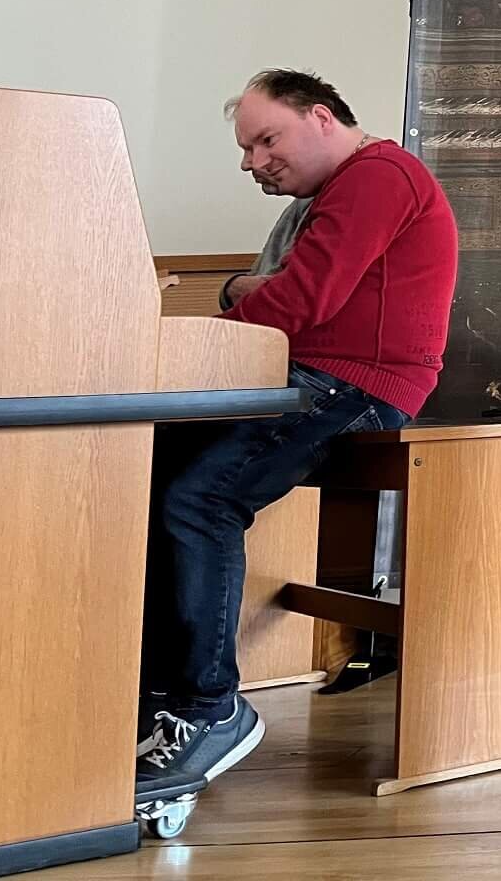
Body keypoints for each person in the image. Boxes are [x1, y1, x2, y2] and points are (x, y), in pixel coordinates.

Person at [134, 70, 458, 807]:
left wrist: (202, 341)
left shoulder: (378, 175)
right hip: (312, 379)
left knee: (199, 500)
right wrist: (242, 304)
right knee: (149, 469)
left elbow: (300, 299)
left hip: (356, 386)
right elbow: (290, 297)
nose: (252, 161)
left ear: (320, 117)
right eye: (246, 148)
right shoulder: (342, 190)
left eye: (265, 139)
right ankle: (160, 695)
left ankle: (208, 709)